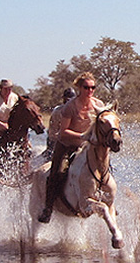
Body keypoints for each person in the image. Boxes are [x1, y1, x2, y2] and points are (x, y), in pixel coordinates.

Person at [38, 72, 105, 223]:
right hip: (67, 145)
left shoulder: (98, 105)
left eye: (93, 87)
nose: (90, 91)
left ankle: (106, 200)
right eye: (86, 87)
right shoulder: (69, 107)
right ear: (79, 88)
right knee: (58, 172)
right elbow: (63, 132)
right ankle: (48, 208)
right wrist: (82, 136)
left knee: (106, 169)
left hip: (87, 146)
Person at [41, 87, 77, 161]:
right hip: (56, 142)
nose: (69, 102)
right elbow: (52, 131)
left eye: (71, 100)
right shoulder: (58, 111)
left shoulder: (77, 110)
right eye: (67, 100)